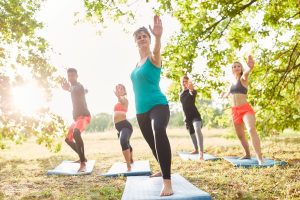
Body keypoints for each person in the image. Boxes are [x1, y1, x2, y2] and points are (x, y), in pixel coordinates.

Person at [130, 16, 173, 196]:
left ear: (148, 38)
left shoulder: (154, 58)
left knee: (159, 131)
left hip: (158, 105)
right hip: (141, 111)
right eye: (138, 37)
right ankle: (163, 169)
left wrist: (157, 37)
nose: (142, 38)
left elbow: (156, 50)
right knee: (153, 143)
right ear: (135, 42)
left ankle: (168, 182)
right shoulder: (135, 66)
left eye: (144, 36)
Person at [221, 55, 263, 165]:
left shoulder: (243, 79)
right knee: (240, 136)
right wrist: (224, 94)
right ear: (232, 69)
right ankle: (247, 154)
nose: (236, 68)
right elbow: (228, 93)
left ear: (241, 68)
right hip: (235, 111)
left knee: (251, 129)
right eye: (234, 66)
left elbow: (246, 73)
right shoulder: (231, 83)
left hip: (245, 109)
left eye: (238, 66)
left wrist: (250, 67)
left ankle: (260, 158)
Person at [61, 68, 91, 172]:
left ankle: (83, 163)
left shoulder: (79, 86)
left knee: (76, 133)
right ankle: (82, 156)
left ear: (77, 76)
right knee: (68, 139)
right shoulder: (73, 88)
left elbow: (76, 90)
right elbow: (73, 91)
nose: (71, 78)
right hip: (77, 119)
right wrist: (69, 88)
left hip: (84, 116)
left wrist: (69, 88)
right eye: (69, 76)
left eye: (73, 75)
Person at [180, 75, 204, 160]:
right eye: (183, 81)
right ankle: (196, 149)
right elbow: (183, 107)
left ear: (189, 82)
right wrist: (184, 117)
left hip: (195, 116)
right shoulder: (181, 94)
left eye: (186, 81)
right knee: (191, 133)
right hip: (187, 118)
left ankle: (201, 153)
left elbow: (192, 92)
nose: (184, 83)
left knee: (197, 129)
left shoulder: (192, 91)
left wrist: (191, 89)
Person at [113, 83, 134, 171]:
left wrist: (119, 96)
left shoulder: (124, 100)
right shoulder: (117, 102)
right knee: (127, 143)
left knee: (123, 141)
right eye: (118, 88)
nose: (119, 90)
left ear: (124, 91)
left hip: (125, 126)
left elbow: (121, 100)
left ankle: (128, 166)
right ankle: (131, 159)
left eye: (121, 89)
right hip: (119, 127)